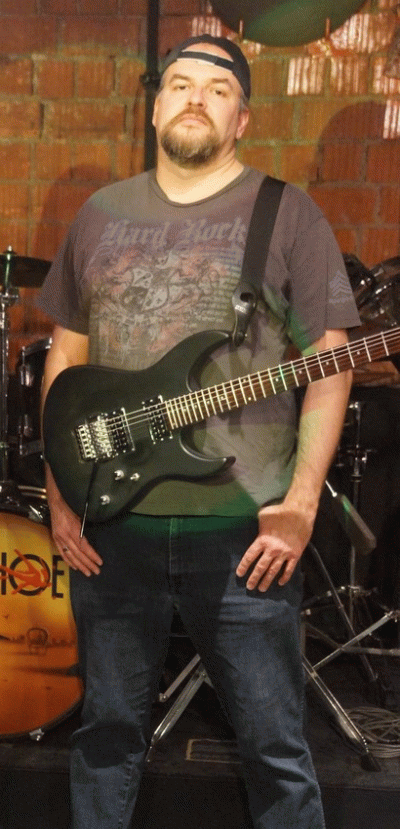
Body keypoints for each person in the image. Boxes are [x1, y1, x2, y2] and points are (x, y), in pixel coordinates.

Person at [38, 34, 360, 829]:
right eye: (180, 83)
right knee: (105, 738)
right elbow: (66, 358)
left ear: (242, 118)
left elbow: (331, 362)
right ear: (154, 109)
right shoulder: (101, 212)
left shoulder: (287, 212)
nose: (195, 97)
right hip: (113, 524)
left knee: (276, 749)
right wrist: (60, 484)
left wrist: (302, 501)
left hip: (243, 532)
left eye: (218, 90)